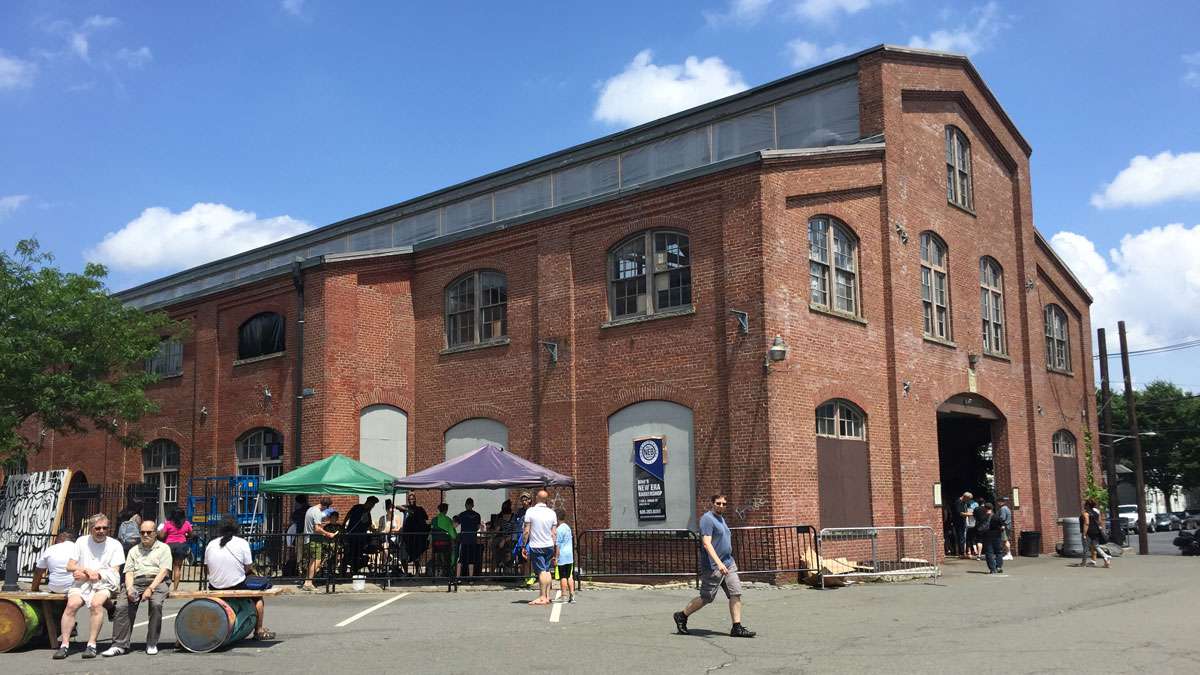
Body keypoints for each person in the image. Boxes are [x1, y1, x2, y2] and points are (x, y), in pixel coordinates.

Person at [673, 494, 755, 638]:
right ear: (712, 503)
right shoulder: (707, 519)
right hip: (713, 566)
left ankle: (737, 627)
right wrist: (718, 563)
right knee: (707, 597)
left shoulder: (721, 519)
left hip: (729, 563)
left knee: (735, 593)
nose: (721, 506)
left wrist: (725, 562)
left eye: (724, 504)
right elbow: (706, 543)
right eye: (718, 503)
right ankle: (682, 615)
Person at [58, 514, 124, 660]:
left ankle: (91, 644)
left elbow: (114, 572)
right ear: (91, 529)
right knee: (71, 605)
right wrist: (87, 571)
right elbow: (70, 566)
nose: (101, 531)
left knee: (96, 604)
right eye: (98, 528)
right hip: (82, 583)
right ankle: (64, 645)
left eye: (105, 528)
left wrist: (93, 575)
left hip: (105, 583)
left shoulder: (115, 545)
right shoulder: (81, 542)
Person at [103, 519, 171, 656]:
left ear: (155, 533)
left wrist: (150, 589)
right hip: (136, 582)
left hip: (157, 581)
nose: (145, 535)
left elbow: (164, 571)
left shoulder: (164, 548)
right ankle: (119, 645)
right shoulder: (134, 550)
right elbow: (128, 572)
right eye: (142, 532)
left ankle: (152, 643)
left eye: (149, 532)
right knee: (122, 606)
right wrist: (129, 589)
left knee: (156, 604)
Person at [204, 518, 275, 640]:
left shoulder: (211, 544)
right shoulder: (242, 543)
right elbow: (248, 567)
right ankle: (258, 630)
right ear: (237, 529)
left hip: (214, 585)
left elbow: (207, 568)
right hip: (236, 584)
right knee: (257, 598)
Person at [522, 490, 557, 606]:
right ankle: (547, 596)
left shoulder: (530, 511)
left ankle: (542, 597)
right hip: (549, 545)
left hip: (537, 545)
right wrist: (554, 546)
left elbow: (526, 531)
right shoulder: (552, 513)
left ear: (537, 498)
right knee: (547, 571)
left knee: (541, 572)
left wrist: (523, 545)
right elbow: (554, 533)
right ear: (546, 499)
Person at [302, 496, 335, 591]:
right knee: (316, 561)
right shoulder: (317, 512)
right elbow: (317, 528)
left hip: (308, 538)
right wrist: (328, 534)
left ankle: (307, 582)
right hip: (314, 539)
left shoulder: (310, 509)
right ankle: (308, 583)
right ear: (326, 506)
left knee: (312, 561)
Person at [342, 496, 379, 574]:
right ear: (368, 502)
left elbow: (368, 525)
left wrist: (374, 531)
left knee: (358, 554)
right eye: (372, 504)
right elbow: (348, 514)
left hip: (361, 538)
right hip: (352, 535)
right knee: (349, 553)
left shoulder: (368, 513)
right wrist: (344, 524)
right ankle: (343, 570)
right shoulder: (357, 507)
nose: (372, 507)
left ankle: (355, 570)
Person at [158, 508, 193, 586]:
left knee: (168, 568)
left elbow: (161, 536)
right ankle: (175, 589)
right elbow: (191, 535)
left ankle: (167, 587)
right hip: (181, 546)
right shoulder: (186, 523)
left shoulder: (168, 523)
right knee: (177, 568)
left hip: (169, 546)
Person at [400, 492, 429, 575]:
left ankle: (417, 573)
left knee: (416, 556)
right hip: (405, 536)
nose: (411, 501)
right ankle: (405, 572)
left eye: (412, 499)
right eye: (409, 499)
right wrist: (407, 510)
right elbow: (397, 506)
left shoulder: (419, 509)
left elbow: (426, 519)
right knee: (403, 556)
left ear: (415, 499)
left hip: (415, 536)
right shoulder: (406, 508)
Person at [456, 498, 482, 578]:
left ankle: (458, 578)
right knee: (471, 560)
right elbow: (478, 527)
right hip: (473, 539)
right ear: (473, 505)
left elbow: (456, 525)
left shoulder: (462, 514)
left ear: (465, 505)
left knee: (460, 560)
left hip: (463, 539)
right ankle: (470, 579)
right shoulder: (477, 515)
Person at [977, 503, 1006, 574]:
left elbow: (979, 527)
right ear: (992, 508)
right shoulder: (997, 517)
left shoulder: (982, 517)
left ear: (985, 508)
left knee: (989, 553)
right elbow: (1002, 527)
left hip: (987, 536)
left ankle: (992, 569)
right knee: (998, 552)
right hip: (997, 536)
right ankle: (998, 567)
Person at [1082, 498, 1112, 568]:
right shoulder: (1096, 513)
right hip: (1096, 531)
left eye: (1085, 505)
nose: (1084, 506)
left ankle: (1084, 563)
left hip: (1090, 532)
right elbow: (1099, 522)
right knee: (1096, 546)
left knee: (1086, 547)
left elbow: (1086, 523)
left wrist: (1084, 534)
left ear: (1088, 506)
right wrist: (1100, 528)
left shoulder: (1086, 514)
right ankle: (1105, 558)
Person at [553, 507, 575, 603]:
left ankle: (564, 596)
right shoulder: (567, 527)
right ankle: (572, 595)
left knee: (563, 576)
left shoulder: (558, 530)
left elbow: (558, 546)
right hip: (569, 555)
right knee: (569, 576)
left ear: (557, 518)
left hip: (562, 555)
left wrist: (556, 558)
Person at [430, 503, 458, 577]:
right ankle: (450, 571)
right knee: (454, 550)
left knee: (441, 554)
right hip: (446, 546)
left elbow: (431, 532)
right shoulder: (448, 520)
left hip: (435, 545)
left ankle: (439, 571)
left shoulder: (433, 520)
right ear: (446, 510)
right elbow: (453, 535)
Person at [378, 499, 405, 573]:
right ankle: (389, 558)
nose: (392, 509)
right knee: (384, 540)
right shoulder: (382, 518)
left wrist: (389, 531)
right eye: (390, 508)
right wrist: (385, 531)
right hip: (385, 539)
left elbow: (399, 529)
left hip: (394, 539)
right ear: (387, 509)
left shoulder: (397, 518)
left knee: (385, 542)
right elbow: (379, 530)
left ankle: (387, 561)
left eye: (393, 507)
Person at [290, 495, 310, 570]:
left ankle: (300, 570)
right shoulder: (310, 509)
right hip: (310, 534)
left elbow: (293, 519)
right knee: (308, 553)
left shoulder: (298, 511)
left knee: (299, 554)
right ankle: (307, 569)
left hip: (300, 533)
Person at [958, 492, 978, 559]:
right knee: (962, 537)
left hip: (964, 522)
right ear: (965, 497)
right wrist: (973, 514)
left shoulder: (964, 503)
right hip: (959, 523)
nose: (969, 501)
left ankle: (965, 552)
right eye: (968, 499)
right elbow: (961, 513)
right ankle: (962, 553)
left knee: (964, 538)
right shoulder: (959, 502)